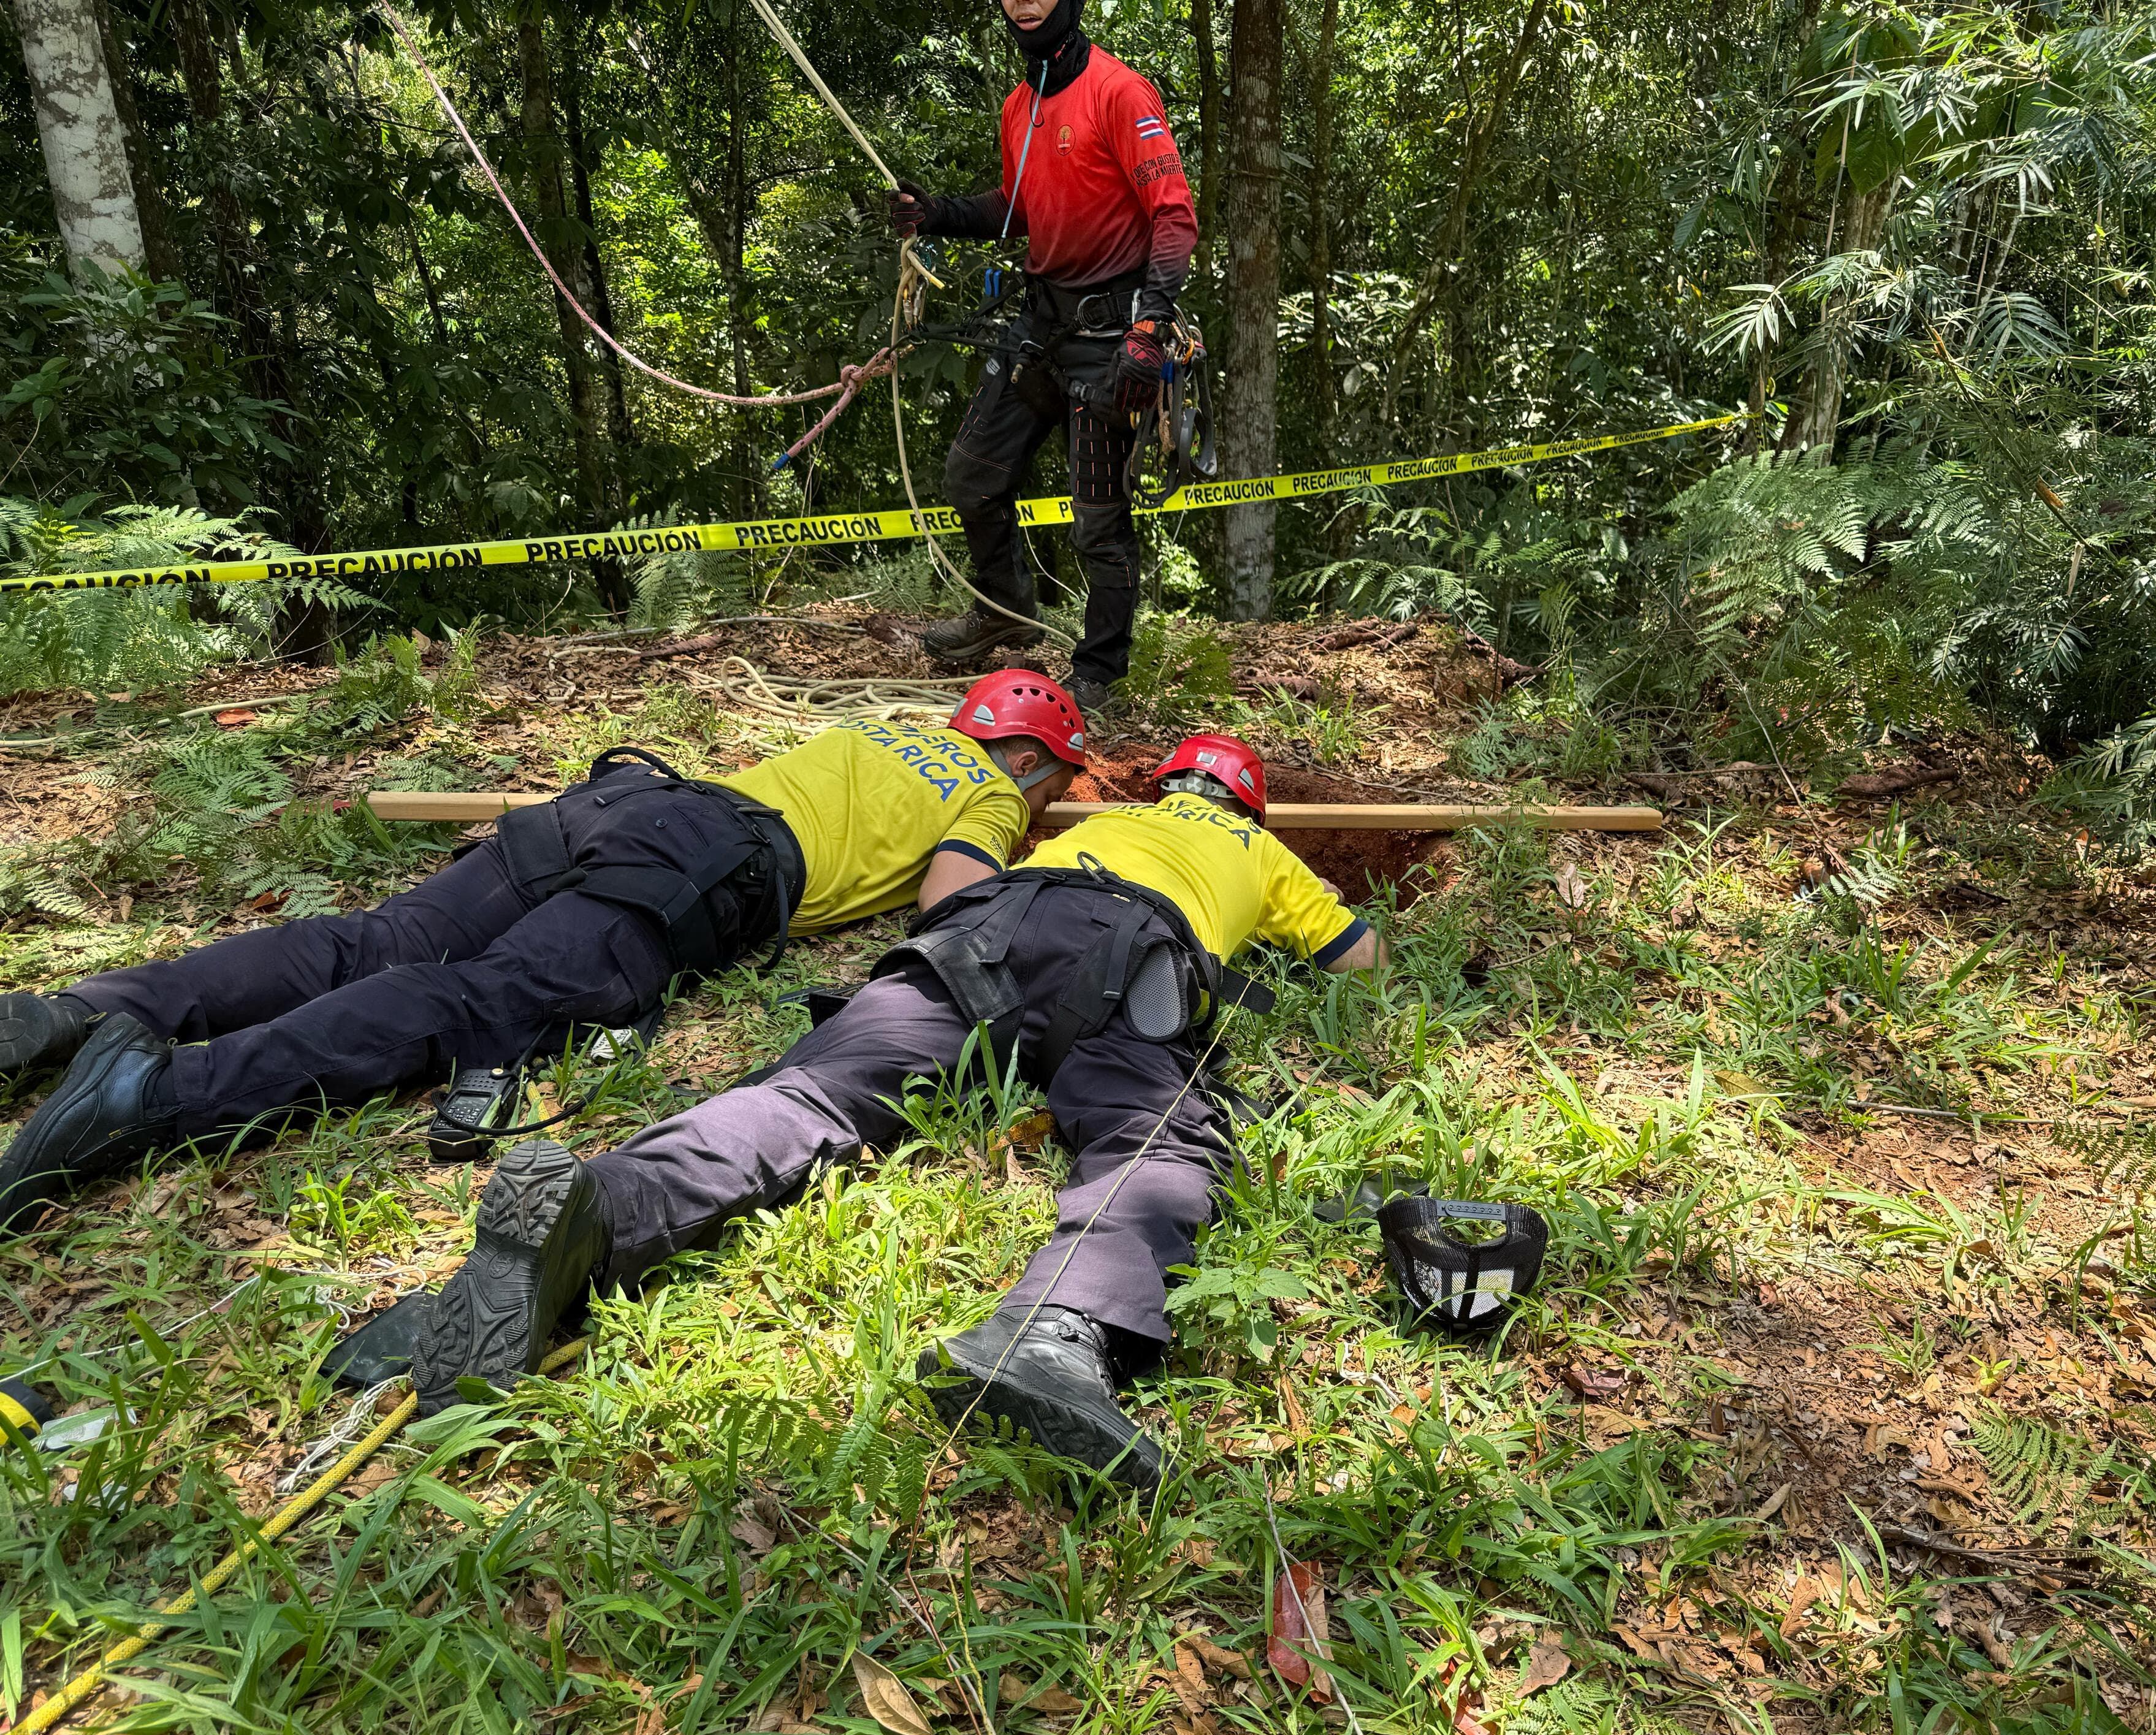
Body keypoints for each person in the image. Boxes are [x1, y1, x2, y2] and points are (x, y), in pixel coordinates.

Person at [405, 731, 1382, 1493]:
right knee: (1151, 1145)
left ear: (1168, 788)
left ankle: (604, 1207)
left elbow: (952, 884)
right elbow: (1359, 962)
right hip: (1136, 965)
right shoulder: (1261, 851)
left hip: (992, 925)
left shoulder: (1093, 828)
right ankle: (1058, 1332)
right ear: (1248, 806)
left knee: (813, 1093)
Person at [0, 671, 1089, 1230]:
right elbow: (956, 893)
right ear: (1038, 764)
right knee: (483, 1000)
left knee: (377, 938)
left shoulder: (878, 732)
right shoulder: (991, 791)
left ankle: (84, 1011)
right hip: (708, 867)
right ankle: (152, 1097)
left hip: (628, 804)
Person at [888, 0, 1199, 714]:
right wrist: (937, 214)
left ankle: (1097, 675)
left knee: (1098, 519)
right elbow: (1018, 207)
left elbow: (1173, 214)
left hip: (1109, 337)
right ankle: (1001, 606)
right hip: (1039, 325)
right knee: (973, 475)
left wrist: (1149, 327)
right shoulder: (1019, 106)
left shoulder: (1120, 92)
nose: (1024, 4)